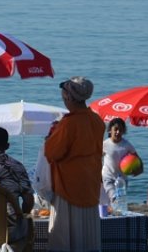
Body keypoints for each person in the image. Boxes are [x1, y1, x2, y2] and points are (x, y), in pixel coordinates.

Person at [44, 76, 103, 252]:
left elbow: (52, 152)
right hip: (90, 184)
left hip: (68, 186)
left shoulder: (68, 124)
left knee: (65, 239)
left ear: (69, 97)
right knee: (87, 238)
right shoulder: (96, 120)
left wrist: (51, 136)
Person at [100, 117, 137, 207]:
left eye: (120, 130)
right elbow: (96, 159)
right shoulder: (105, 144)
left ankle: (114, 214)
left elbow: (136, 158)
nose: (118, 132)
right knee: (114, 197)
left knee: (119, 201)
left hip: (122, 179)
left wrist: (135, 168)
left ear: (123, 131)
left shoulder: (127, 145)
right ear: (110, 130)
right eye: (115, 129)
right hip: (107, 177)